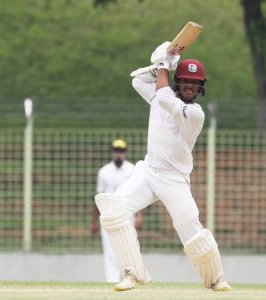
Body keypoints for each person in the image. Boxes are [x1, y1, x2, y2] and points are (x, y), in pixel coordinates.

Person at [94, 41, 231, 292]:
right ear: (178, 82)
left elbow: (166, 98)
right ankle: (132, 273)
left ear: (201, 87)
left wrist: (166, 64)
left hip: (175, 179)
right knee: (113, 210)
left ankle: (216, 277)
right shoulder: (161, 92)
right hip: (148, 172)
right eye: (186, 81)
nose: (190, 86)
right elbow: (137, 81)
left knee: (192, 233)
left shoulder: (195, 113)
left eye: (195, 83)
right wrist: (162, 64)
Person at [91, 139, 143, 283]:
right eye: (116, 151)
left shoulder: (132, 170)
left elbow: (137, 195)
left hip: (126, 215)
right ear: (112, 152)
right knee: (109, 250)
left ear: (125, 152)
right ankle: (112, 280)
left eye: (121, 151)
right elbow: (98, 198)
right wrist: (93, 221)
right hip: (108, 216)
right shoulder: (104, 171)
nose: (118, 154)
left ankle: (130, 277)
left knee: (128, 248)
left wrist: (139, 215)